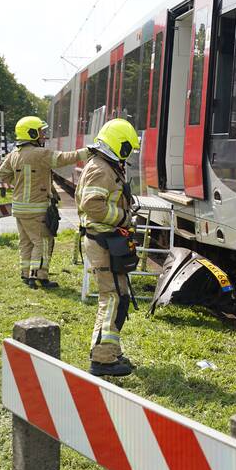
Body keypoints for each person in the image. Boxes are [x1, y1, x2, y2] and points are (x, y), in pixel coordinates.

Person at [77, 118, 140, 377]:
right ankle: (103, 359)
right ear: (118, 145)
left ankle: (108, 352)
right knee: (113, 298)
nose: (129, 154)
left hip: (108, 240)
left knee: (117, 297)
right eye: (128, 148)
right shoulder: (101, 169)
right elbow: (92, 205)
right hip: (103, 241)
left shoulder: (106, 165)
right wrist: (124, 218)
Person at [0, 116, 89, 288]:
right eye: (40, 132)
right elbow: (65, 158)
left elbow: (2, 175)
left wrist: (19, 183)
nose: (43, 136)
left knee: (26, 242)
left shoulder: (14, 155)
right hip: (36, 208)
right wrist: (89, 151)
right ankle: (38, 276)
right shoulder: (41, 154)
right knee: (43, 241)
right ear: (31, 133)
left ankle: (26, 274)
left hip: (19, 208)